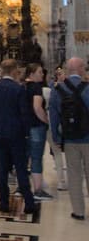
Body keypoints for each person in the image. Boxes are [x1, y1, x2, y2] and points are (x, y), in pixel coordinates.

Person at [0, 58, 37, 215]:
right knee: (20, 168)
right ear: (14, 71)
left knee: (2, 169)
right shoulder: (19, 89)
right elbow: (24, 114)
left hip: (0, 133)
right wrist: (26, 132)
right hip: (17, 134)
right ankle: (28, 203)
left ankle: (4, 202)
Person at [48, 56, 89, 220]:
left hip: (70, 138)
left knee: (73, 174)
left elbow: (54, 116)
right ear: (81, 70)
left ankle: (78, 211)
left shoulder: (57, 89)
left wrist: (57, 138)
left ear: (67, 70)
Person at [24, 63, 53, 201]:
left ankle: (21, 187)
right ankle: (37, 190)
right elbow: (37, 107)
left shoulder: (22, 86)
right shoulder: (36, 87)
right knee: (36, 158)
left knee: (25, 157)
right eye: (40, 72)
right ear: (31, 74)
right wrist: (46, 120)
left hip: (23, 128)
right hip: (36, 126)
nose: (42, 74)